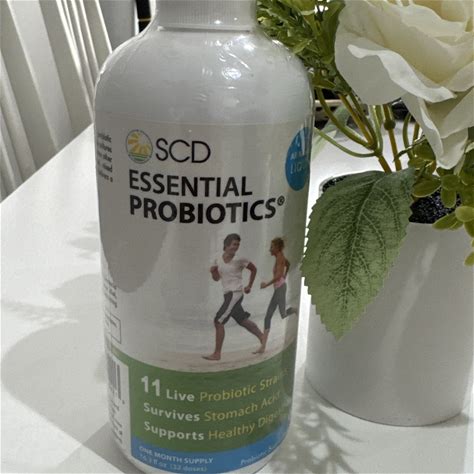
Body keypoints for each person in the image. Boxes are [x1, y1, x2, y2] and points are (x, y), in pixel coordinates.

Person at [203, 233, 263, 361]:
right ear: (226, 244)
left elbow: (254, 269)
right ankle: (264, 339)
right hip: (227, 295)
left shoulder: (240, 259)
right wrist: (213, 272)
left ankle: (217, 354)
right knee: (243, 321)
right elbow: (216, 278)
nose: (236, 247)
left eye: (238, 245)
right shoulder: (217, 259)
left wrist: (249, 285)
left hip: (235, 293)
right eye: (234, 244)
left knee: (218, 321)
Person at [255, 237, 296, 354]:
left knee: (274, 315)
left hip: (280, 289)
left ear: (277, 248)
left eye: (272, 247)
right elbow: (288, 264)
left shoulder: (279, 258)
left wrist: (266, 285)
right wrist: (285, 276)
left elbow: (278, 276)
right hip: (279, 288)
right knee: (274, 315)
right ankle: (263, 347)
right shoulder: (280, 257)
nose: (270, 249)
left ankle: (295, 310)